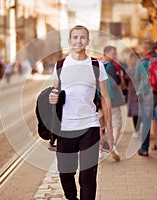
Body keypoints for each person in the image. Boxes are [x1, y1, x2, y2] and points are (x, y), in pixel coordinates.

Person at [49, 25, 113, 200]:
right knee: (65, 174)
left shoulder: (96, 65)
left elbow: (106, 99)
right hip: (66, 128)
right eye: (75, 37)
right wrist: (52, 98)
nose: (79, 40)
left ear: (88, 41)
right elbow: (55, 93)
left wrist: (109, 132)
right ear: (69, 41)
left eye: (82, 37)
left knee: (87, 177)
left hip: (90, 128)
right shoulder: (60, 65)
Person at [135, 40, 157, 161]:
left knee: (146, 124)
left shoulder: (142, 62)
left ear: (146, 49)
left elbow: (137, 78)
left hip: (147, 97)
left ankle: (144, 149)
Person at [98, 45, 125, 161]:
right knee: (117, 123)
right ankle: (112, 144)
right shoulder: (112, 66)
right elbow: (114, 83)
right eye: (113, 54)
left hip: (98, 101)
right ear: (107, 53)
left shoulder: (95, 65)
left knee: (100, 125)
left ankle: (99, 149)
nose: (115, 56)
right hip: (111, 101)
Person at [126, 52, 141, 138]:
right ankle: (139, 129)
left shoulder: (129, 70)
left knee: (135, 112)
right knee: (140, 111)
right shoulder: (142, 69)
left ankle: (136, 130)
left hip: (132, 92)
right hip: (141, 91)